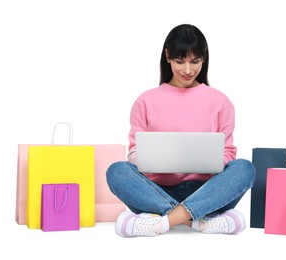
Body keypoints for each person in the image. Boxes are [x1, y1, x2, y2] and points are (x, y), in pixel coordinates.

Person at [106, 24, 256, 238]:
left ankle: (162, 222)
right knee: (117, 171)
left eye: (195, 61)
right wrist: (153, 158)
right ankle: (198, 222)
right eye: (180, 61)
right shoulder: (145, 101)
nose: (188, 70)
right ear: (167, 56)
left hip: (207, 192)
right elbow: (133, 155)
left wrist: (208, 161)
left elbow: (228, 154)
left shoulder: (220, 102)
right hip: (156, 191)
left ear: (204, 59)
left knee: (244, 168)